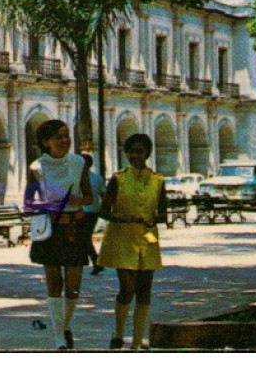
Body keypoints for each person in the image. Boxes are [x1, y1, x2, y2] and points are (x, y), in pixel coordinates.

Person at [25, 119, 95, 350]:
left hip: (74, 229)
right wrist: (45, 205)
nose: (65, 141)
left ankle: (64, 325)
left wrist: (78, 200)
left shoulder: (78, 163)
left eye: (67, 135)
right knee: (54, 284)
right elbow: (29, 201)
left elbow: (89, 198)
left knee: (73, 285)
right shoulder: (36, 167)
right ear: (46, 142)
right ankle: (58, 338)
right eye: (59, 137)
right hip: (51, 230)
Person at [97, 133, 167, 350]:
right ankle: (118, 332)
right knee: (127, 289)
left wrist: (153, 219)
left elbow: (163, 214)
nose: (134, 155)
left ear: (147, 154)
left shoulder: (158, 180)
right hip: (122, 238)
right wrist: (123, 217)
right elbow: (104, 211)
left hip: (147, 238)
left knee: (145, 290)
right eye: (130, 151)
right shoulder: (118, 178)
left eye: (139, 151)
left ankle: (137, 343)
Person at [80, 146, 106, 274]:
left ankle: (95, 262)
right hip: (93, 211)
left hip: (83, 212)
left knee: (83, 237)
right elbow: (103, 195)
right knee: (84, 237)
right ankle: (94, 262)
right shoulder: (98, 178)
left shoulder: (76, 178)